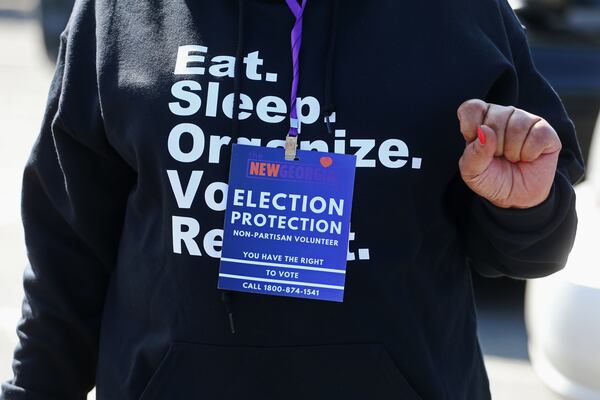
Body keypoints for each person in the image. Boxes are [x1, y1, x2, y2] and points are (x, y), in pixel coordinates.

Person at [0, 0, 584, 399]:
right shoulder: (123, 11)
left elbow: (530, 251)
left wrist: (523, 206)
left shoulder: (460, 13)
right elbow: (66, 249)